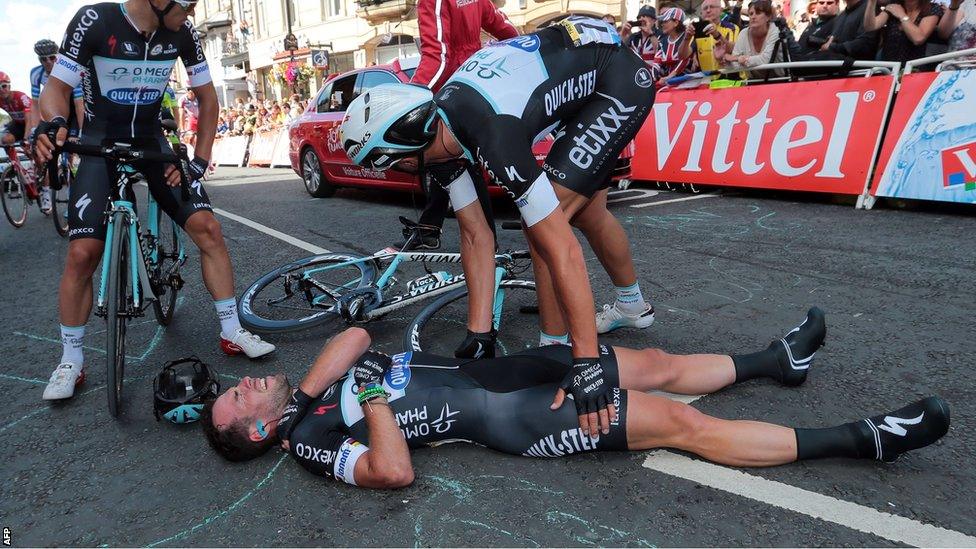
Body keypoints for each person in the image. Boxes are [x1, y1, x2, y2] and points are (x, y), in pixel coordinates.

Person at [201, 308, 951, 489]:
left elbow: (359, 335)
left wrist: (306, 391)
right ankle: (862, 438)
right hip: (511, 415)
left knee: (651, 361)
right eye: (240, 399)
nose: (243, 383)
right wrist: (365, 402)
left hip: (508, 368)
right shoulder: (311, 444)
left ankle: (775, 359)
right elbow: (394, 471)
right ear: (261, 432)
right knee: (682, 426)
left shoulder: (302, 402)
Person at [340, 17, 656, 434]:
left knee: (547, 224)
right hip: (582, 74)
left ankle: (558, 347)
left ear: (402, 153)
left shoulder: (492, 133)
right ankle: (631, 304)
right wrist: (480, 331)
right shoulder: (442, 138)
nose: (397, 172)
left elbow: (562, 247)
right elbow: (474, 232)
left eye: (390, 166)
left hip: (617, 82)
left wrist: (587, 363)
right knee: (586, 211)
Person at [33, 0, 276, 401]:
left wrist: (197, 162)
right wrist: (56, 123)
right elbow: (57, 88)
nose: (193, 12)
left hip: (153, 142)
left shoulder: (182, 33)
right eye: (188, 4)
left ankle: (232, 330)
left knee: (208, 229)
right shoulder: (95, 19)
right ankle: (71, 359)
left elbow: (207, 98)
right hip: (99, 142)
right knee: (81, 253)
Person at [394, 0, 521, 252]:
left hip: (451, 87)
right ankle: (431, 228)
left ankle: (488, 249)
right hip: (474, 82)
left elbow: (438, 56)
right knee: (458, 163)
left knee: (453, 162)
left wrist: (410, 98)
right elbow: (504, 27)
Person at [27, 39, 86, 214]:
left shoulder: (70, 72)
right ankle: (51, 184)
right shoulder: (36, 74)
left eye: (52, 58)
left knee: (73, 147)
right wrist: (34, 129)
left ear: (58, 57)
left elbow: (79, 104)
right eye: (43, 59)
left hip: (74, 112)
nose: (48, 63)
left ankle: (74, 186)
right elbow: (36, 104)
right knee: (47, 144)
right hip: (56, 111)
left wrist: (81, 131)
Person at [718, 0, 786, 78]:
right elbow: (736, 66)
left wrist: (737, 59)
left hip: (779, 81)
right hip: (754, 81)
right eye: (751, 14)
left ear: (768, 17)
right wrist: (727, 61)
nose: (753, 17)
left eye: (758, 13)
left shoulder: (775, 31)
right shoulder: (743, 33)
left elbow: (765, 60)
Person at [864, 0, 944, 63]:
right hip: (888, 69)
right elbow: (870, 26)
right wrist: (871, 3)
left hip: (915, 70)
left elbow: (918, 38)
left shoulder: (932, 9)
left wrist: (901, 15)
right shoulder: (893, 6)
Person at [692, 0, 741, 74]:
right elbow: (685, 54)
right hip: (704, 78)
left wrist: (717, 35)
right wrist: (693, 55)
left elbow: (733, 50)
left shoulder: (731, 27)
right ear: (701, 13)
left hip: (726, 76)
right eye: (705, 8)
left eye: (712, 7)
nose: (708, 10)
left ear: (721, 11)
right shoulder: (695, 29)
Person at [652, 7, 697, 87]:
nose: (662, 24)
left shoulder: (688, 36)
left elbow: (684, 60)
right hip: (666, 84)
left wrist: (670, 77)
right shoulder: (662, 40)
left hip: (686, 84)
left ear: (676, 22)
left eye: (665, 21)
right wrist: (653, 79)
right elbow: (656, 62)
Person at [0, 72, 32, 146]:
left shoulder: (21, 97)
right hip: (19, 124)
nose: (1, 90)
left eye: (3, 86)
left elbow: (29, 120)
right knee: (5, 140)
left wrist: (26, 139)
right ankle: (13, 157)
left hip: (32, 122)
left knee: (29, 145)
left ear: (9, 87)